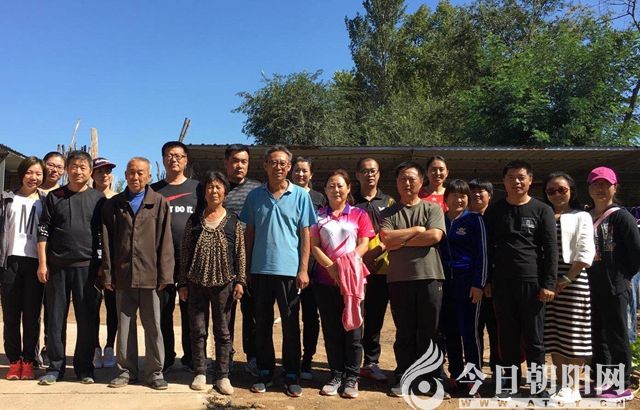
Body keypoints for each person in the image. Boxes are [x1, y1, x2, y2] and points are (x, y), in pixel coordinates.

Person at [239, 145, 317, 397]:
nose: (278, 167)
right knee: (261, 324)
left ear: (289, 167)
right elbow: (249, 235)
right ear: (265, 165)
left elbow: (305, 235)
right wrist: (247, 269)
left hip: (289, 272)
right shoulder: (255, 196)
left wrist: (303, 269)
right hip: (260, 270)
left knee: (291, 325)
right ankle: (265, 372)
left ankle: (292, 374)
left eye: (283, 163)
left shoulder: (301, 196)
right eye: (273, 162)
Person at [484, 160, 557, 398]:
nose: (516, 182)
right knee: (507, 337)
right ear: (503, 182)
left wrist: (548, 284)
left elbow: (550, 249)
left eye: (521, 177)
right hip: (502, 284)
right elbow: (487, 249)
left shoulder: (542, 210)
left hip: (532, 283)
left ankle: (537, 386)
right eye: (511, 177)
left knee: (534, 338)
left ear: (530, 180)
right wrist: (487, 281)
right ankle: (510, 384)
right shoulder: (495, 211)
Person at [101, 157, 174, 390]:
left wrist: (165, 275)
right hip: (123, 275)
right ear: (125, 175)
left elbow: (166, 241)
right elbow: (108, 241)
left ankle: (154, 372)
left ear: (149, 176)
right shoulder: (115, 204)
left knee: (153, 326)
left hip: (151, 276)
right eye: (131, 172)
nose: (135, 177)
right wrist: (108, 274)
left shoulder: (159, 202)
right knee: (125, 326)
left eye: (140, 173)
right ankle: (126, 371)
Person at [379, 161, 446, 397]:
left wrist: (401, 241)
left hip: (430, 276)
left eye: (411, 178)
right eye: (402, 179)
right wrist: (417, 230)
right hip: (399, 278)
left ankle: (433, 377)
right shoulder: (387, 213)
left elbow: (435, 236)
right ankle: (404, 376)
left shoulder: (432, 209)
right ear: (396, 183)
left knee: (430, 330)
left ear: (421, 181)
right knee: (405, 330)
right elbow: (387, 239)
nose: (407, 183)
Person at [36, 150, 103, 385]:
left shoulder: (99, 199)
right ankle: (55, 367)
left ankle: (84, 368)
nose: (78, 171)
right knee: (55, 319)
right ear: (67, 170)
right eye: (74, 166)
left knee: (87, 320)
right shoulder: (55, 197)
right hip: (57, 267)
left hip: (88, 267)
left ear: (90, 171)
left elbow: (103, 235)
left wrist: (103, 266)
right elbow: (43, 230)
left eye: (83, 167)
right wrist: (43, 263)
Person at [178, 171, 246, 394]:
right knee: (198, 330)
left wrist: (240, 281)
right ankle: (200, 371)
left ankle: (222, 375)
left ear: (225, 191)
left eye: (218, 187)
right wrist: (182, 283)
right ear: (204, 192)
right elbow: (185, 252)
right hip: (195, 283)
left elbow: (240, 253)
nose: (213, 191)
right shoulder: (194, 220)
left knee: (223, 332)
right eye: (210, 187)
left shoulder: (233, 221)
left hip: (224, 284)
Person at [311, 169, 374, 398]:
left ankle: (352, 377)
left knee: (354, 330)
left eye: (340, 185)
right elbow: (314, 245)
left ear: (348, 189)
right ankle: (336, 374)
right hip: (325, 281)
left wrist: (347, 266)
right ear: (325, 190)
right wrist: (332, 268)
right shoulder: (318, 216)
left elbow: (364, 243)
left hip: (354, 281)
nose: (335, 189)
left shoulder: (359, 214)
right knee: (332, 330)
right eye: (331, 185)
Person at [586, 166, 640, 400]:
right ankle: (601, 381)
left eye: (605, 184)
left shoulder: (621, 216)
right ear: (589, 188)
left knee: (617, 335)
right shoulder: (586, 216)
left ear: (615, 187)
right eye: (596, 184)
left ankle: (621, 385)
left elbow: (636, 253)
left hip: (615, 285)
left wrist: (623, 277)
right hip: (591, 285)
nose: (600, 189)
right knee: (597, 336)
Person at [541, 172, 595, 404]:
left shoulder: (581, 216)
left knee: (574, 335)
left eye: (561, 189)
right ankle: (562, 384)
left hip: (573, 282)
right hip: (548, 284)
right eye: (551, 191)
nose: (556, 194)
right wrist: (550, 282)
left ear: (571, 191)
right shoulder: (543, 214)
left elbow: (585, 251)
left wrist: (566, 279)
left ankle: (573, 386)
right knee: (554, 335)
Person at [151, 141, 201, 372]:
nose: (174, 159)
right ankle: (166, 357)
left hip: (191, 260)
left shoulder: (198, 189)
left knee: (191, 311)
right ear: (163, 160)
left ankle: (191, 357)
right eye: (170, 155)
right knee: (163, 312)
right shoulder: (154, 190)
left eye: (179, 156)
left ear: (186, 160)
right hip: (162, 261)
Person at [439, 179, 487, 396]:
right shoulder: (440, 219)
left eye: (463, 196)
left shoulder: (475, 220)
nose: (458, 200)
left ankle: (474, 378)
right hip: (444, 283)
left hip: (468, 284)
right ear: (446, 198)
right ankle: (456, 374)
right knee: (450, 331)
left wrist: (479, 284)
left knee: (470, 332)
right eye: (454, 195)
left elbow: (483, 254)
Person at [1, 157, 46, 380]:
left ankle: (28, 361)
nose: (33, 177)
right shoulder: (6, 199)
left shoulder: (45, 201)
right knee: (10, 315)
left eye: (38, 173)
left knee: (31, 316)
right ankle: (14, 361)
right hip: (10, 262)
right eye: (29, 172)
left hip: (35, 263)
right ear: (21, 174)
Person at [353, 157, 394, 383]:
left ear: (378, 174)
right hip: (354, 270)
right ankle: (350, 362)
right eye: (365, 171)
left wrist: (374, 256)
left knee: (375, 317)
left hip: (380, 269)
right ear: (357, 175)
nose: (369, 174)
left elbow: (391, 233)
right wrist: (359, 260)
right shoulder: (350, 200)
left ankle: (371, 362)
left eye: (373, 171)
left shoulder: (388, 202)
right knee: (354, 316)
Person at [222, 144, 261, 376]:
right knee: (225, 312)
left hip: (252, 259)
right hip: (224, 260)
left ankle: (253, 357)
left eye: (244, 161)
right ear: (226, 162)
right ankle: (225, 356)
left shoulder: (257, 189)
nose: (239, 165)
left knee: (252, 312)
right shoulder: (218, 187)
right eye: (235, 161)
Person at [291, 156, 325, 380]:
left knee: (311, 316)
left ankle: (307, 360)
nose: (300, 174)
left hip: (313, 266)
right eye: (297, 170)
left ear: (311, 174)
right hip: (288, 263)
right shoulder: (286, 194)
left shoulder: (319, 199)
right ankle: (291, 360)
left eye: (305, 171)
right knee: (290, 315)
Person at [37, 151, 66, 368]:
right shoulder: (31, 190)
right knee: (31, 308)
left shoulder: (63, 195)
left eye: (59, 167)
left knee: (52, 308)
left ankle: (49, 348)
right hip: (29, 256)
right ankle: (30, 350)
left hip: (53, 260)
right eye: (51, 165)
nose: (54, 170)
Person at [468, 178, 498, 380]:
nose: (477, 195)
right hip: (470, 284)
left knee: (496, 329)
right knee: (473, 329)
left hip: (494, 286)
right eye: (473, 191)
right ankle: (474, 371)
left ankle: (498, 369)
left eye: (482, 191)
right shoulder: (464, 218)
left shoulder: (497, 217)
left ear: (490, 195)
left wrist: (490, 281)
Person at [91, 157, 118, 369]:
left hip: (113, 261)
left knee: (112, 307)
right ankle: (94, 347)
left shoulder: (118, 199)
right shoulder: (87, 197)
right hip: (90, 260)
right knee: (91, 306)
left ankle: (110, 347)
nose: (104, 175)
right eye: (100, 171)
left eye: (108, 171)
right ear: (92, 175)